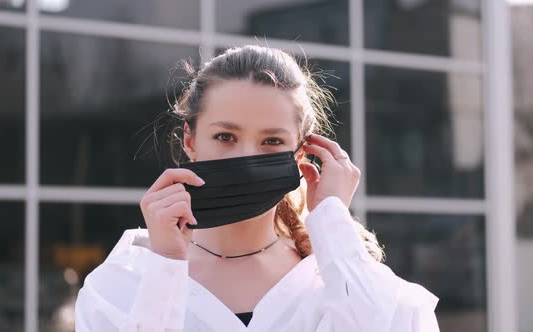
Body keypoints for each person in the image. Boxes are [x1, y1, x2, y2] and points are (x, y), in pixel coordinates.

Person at [75, 45, 440, 331]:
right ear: (190, 140)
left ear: (301, 152)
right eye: (225, 136)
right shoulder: (122, 282)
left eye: (271, 141)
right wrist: (166, 266)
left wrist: (332, 219)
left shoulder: (336, 276)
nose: (246, 157)